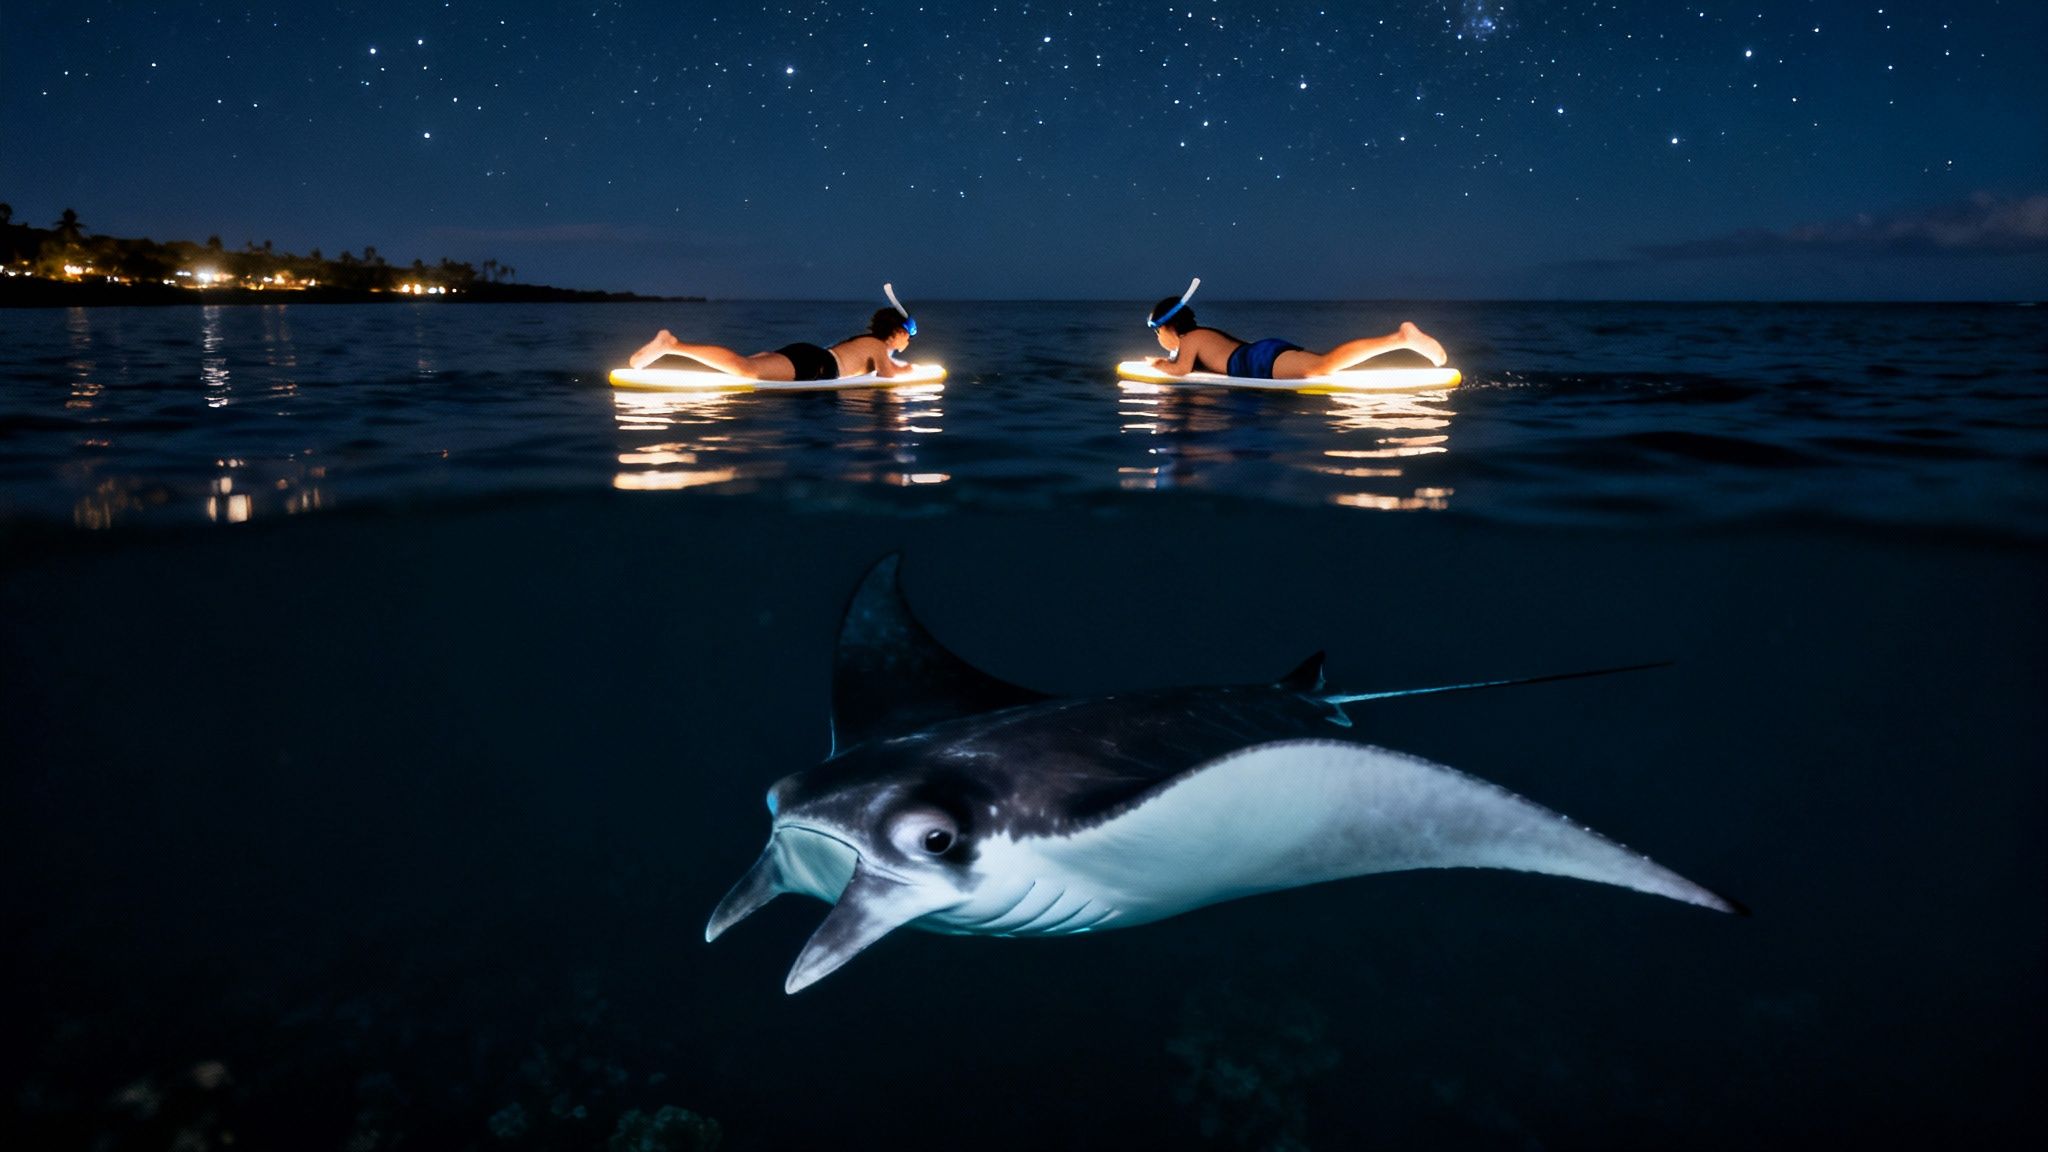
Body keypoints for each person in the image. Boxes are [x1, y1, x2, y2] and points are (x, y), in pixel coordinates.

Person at [1144, 296, 1448, 380]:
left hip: (1256, 362)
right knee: (1323, 363)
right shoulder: (1201, 335)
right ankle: (1400, 340)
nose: (1159, 338)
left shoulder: (1192, 339)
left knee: (1323, 365)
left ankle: (1400, 338)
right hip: (1259, 355)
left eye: (1158, 332)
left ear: (1171, 328)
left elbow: (1181, 369)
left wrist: (1159, 364)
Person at [627, 308, 915, 381]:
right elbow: (886, 379)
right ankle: (672, 345)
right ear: (896, 330)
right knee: (747, 368)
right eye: (909, 331)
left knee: (745, 367)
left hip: (811, 354)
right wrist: (908, 371)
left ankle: (680, 353)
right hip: (816, 365)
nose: (910, 338)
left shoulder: (865, 341)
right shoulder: (878, 347)